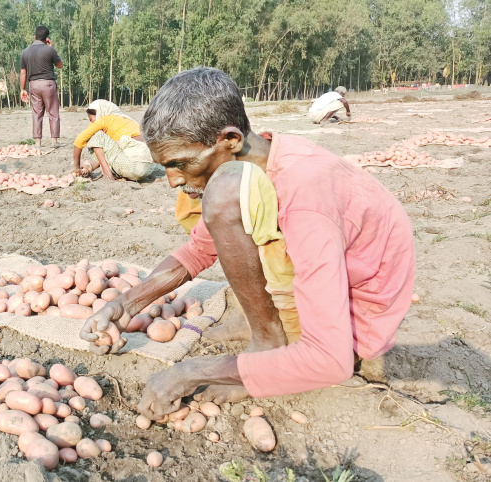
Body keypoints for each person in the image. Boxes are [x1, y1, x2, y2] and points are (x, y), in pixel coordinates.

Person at [79, 68, 415, 419]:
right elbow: (198, 250)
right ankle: (271, 330)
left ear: (230, 139)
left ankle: (269, 344)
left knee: (221, 198)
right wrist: (126, 305)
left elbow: (332, 361)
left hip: (356, 324)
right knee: (222, 197)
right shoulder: (263, 156)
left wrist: (191, 371)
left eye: (179, 164)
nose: (172, 180)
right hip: (329, 285)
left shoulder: (304, 200)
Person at [72, 100, 154, 181]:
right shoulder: (124, 120)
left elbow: (79, 141)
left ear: (98, 112)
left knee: (96, 135)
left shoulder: (103, 120)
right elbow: (108, 153)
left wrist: (76, 168)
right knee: (107, 144)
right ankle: (110, 171)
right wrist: (91, 168)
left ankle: (108, 173)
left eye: (91, 119)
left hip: (134, 166)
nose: (92, 123)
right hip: (148, 168)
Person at [20, 25, 63, 147]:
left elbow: (23, 73)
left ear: (35, 36)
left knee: (37, 113)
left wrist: (22, 89)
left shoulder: (25, 52)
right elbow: (60, 65)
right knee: (53, 112)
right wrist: (52, 48)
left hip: (33, 84)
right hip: (48, 83)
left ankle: (37, 142)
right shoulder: (50, 50)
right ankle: (54, 141)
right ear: (47, 38)